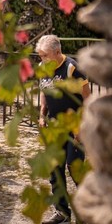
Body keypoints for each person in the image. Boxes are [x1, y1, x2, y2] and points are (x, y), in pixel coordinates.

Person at [36, 35, 91, 224]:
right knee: (55, 170)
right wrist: (42, 114)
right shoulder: (43, 68)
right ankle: (62, 212)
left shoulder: (71, 68)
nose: (42, 59)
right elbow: (44, 92)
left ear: (57, 53)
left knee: (74, 167)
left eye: (45, 55)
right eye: (40, 55)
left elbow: (87, 98)